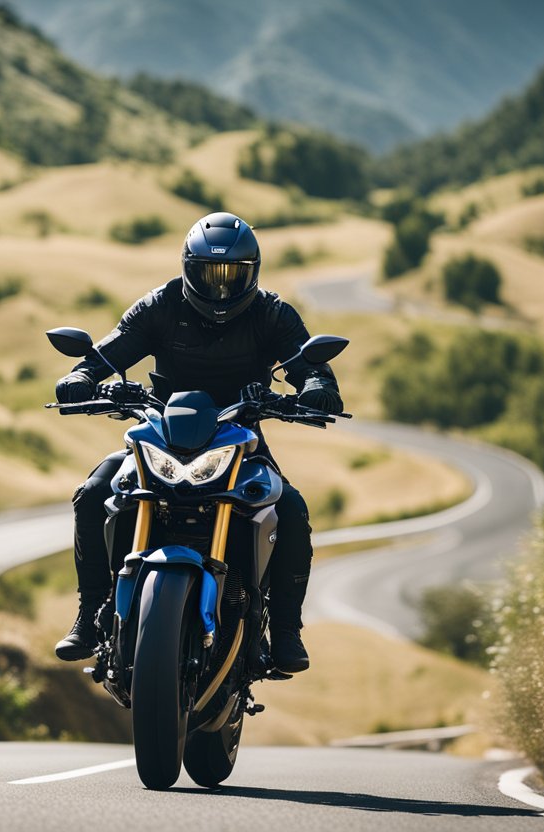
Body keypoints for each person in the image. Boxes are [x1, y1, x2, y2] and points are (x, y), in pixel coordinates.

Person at [52, 212, 343, 674]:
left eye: (233, 275)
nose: (221, 287)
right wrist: (84, 374)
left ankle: (285, 630)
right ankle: (91, 615)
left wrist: (315, 388)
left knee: (290, 510)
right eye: (210, 273)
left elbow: (309, 367)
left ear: (254, 272)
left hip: (241, 440)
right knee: (93, 494)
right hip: (162, 436)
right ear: (188, 268)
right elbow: (113, 348)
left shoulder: (273, 313)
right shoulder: (161, 304)